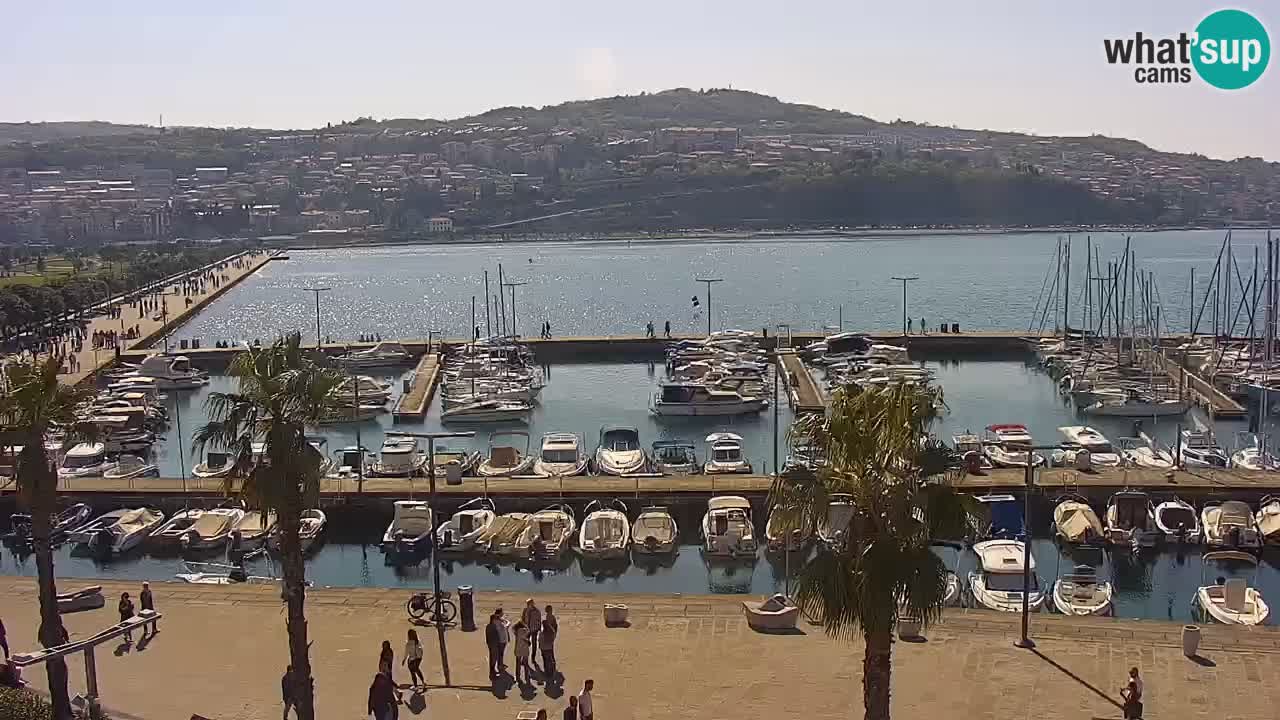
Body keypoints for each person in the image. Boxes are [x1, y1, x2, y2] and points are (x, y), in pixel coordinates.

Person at [513, 619, 531, 685]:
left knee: (518, 664)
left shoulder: (516, 632)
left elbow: (513, 628)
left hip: (518, 648)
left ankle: (517, 676)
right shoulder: (525, 631)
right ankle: (527, 676)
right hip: (525, 649)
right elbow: (529, 631)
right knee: (526, 664)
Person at [540, 615, 558, 680]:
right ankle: (551, 672)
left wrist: (540, 647)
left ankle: (547, 673)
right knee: (550, 660)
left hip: (543, 649)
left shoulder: (542, 633)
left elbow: (540, 641)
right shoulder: (551, 632)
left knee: (545, 661)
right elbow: (553, 637)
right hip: (549, 648)